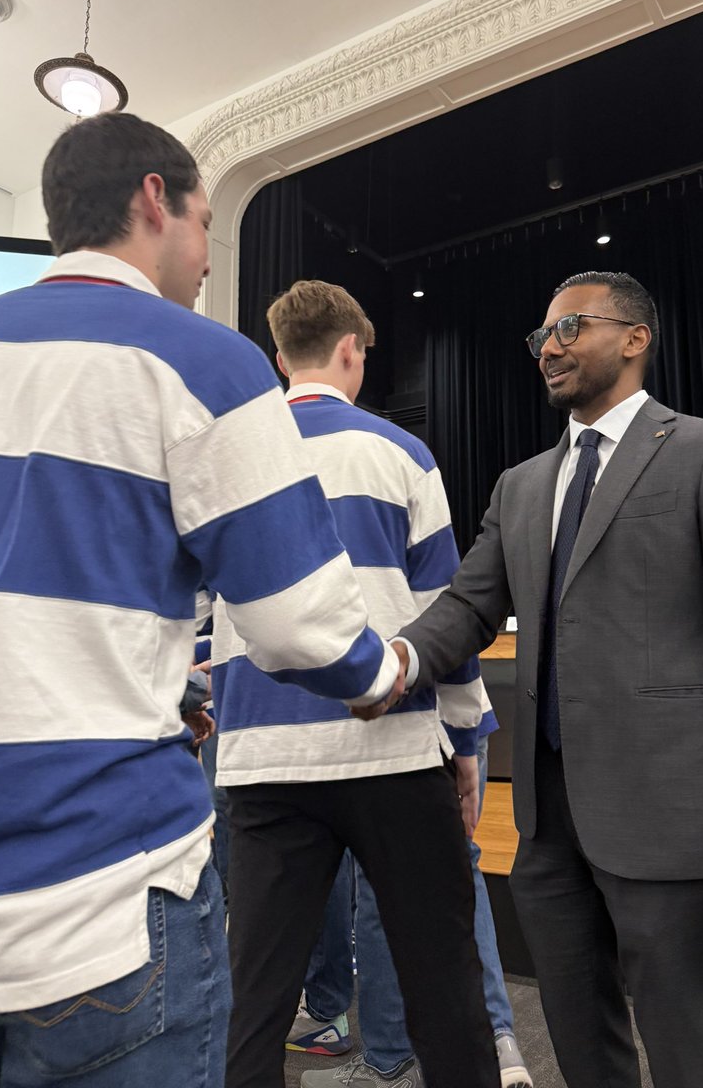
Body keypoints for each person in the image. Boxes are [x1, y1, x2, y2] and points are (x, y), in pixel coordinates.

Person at [0, 115, 402, 1088]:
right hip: (101, 906)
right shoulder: (205, 361)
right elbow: (303, 625)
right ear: (154, 201)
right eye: (208, 222)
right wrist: (390, 669)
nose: (209, 258)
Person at [390, 271, 703, 1088]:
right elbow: (465, 607)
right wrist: (395, 660)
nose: (549, 349)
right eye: (541, 339)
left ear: (636, 338)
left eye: (570, 330)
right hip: (548, 826)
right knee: (582, 1047)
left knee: (690, 1052)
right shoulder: (521, 486)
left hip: (673, 820)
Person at [211, 279, 501, 1088]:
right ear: (351, 352)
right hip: (394, 751)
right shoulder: (401, 453)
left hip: (263, 760)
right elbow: (447, 614)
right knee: (445, 985)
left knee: (257, 999)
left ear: (279, 358)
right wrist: (468, 741)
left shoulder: (231, 457)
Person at [293, 724, 533, 1088]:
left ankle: (388, 1064)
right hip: (461, 721)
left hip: (387, 731)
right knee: (459, 865)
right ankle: (497, 1039)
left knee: (379, 877)